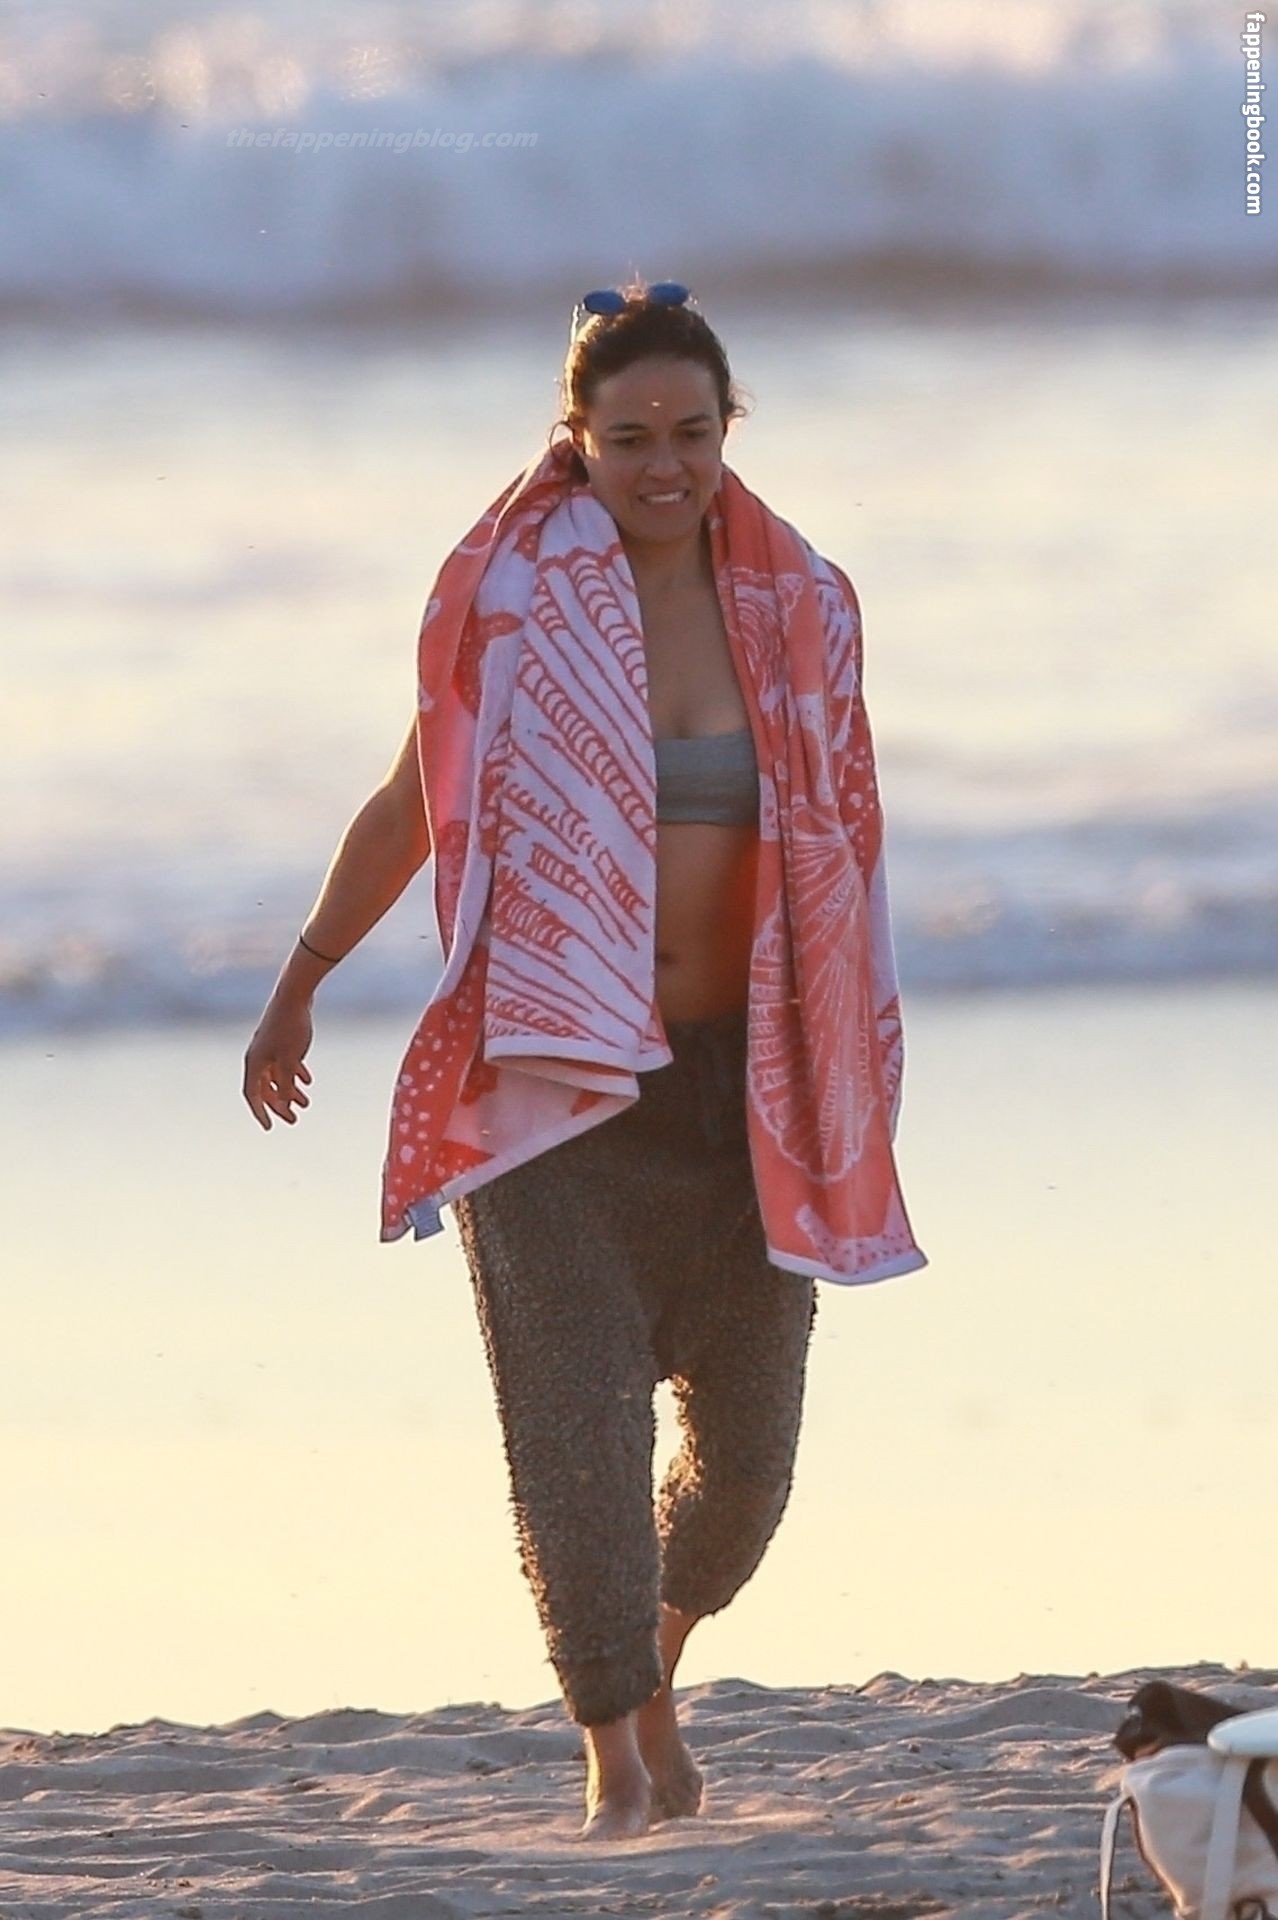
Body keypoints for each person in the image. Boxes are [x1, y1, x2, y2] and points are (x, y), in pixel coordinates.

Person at [243, 278, 923, 1842]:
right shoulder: (512, 603)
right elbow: (414, 802)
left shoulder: (802, 604)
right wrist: (302, 980)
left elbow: (844, 839)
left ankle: (655, 1668)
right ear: (578, 439)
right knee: (576, 1444)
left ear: (727, 428)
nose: (662, 464)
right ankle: (616, 1755)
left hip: (747, 1083)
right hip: (551, 1078)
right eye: (630, 438)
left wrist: (851, 1054)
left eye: (690, 431)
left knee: (742, 1476)